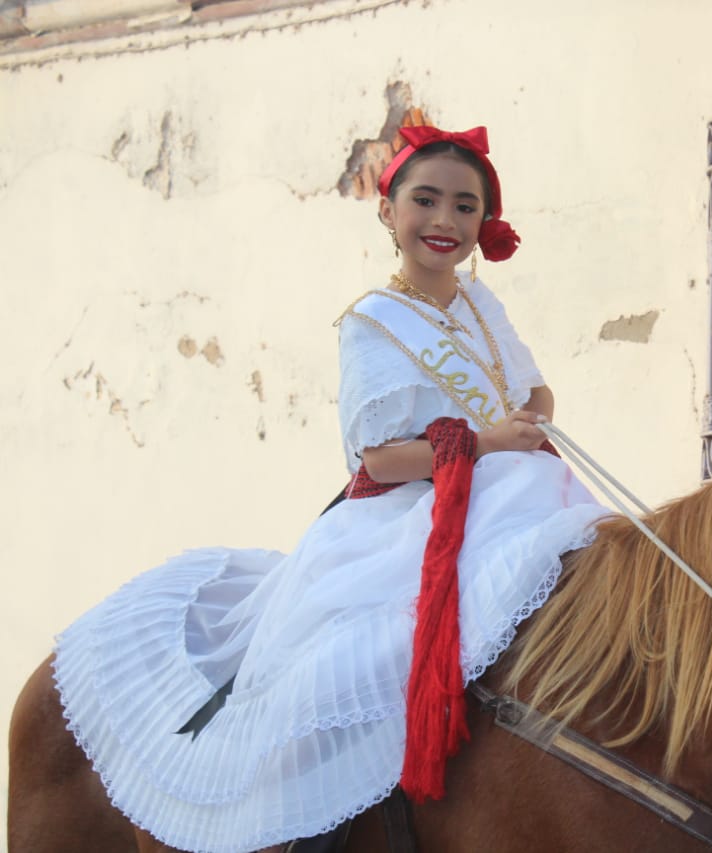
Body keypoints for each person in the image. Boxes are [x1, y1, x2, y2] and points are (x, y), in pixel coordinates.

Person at [51, 121, 610, 853]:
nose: (445, 221)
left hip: (513, 494)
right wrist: (485, 442)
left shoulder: (482, 306)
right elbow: (377, 461)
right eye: (427, 200)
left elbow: (535, 391)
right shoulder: (371, 322)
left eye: (466, 207)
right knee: (356, 667)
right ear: (388, 211)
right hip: (407, 516)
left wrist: (529, 423)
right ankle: (314, 829)